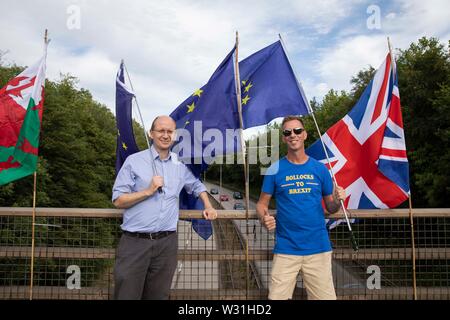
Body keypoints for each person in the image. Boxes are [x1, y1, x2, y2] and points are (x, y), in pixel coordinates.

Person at [112, 115, 217, 300]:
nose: (165, 135)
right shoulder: (133, 161)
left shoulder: (179, 164)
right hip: (135, 243)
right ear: (151, 133)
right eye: (161, 130)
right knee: (126, 295)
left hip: (167, 243)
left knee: (158, 296)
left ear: (174, 135)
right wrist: (147, 191)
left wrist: (208, 205)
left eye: (170, 131)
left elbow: (197, 186)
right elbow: (118, 200)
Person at [256, 115, 346, 300]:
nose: (293, 135)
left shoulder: (320, 169)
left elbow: (331, 208)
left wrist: (338, 200)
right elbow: (261, 204)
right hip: (286, 248)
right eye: (287, 132)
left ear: (304, 134)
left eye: (297, 131)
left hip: (318, 248)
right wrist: (264, 218)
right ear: (283, 138)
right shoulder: (275, 169)